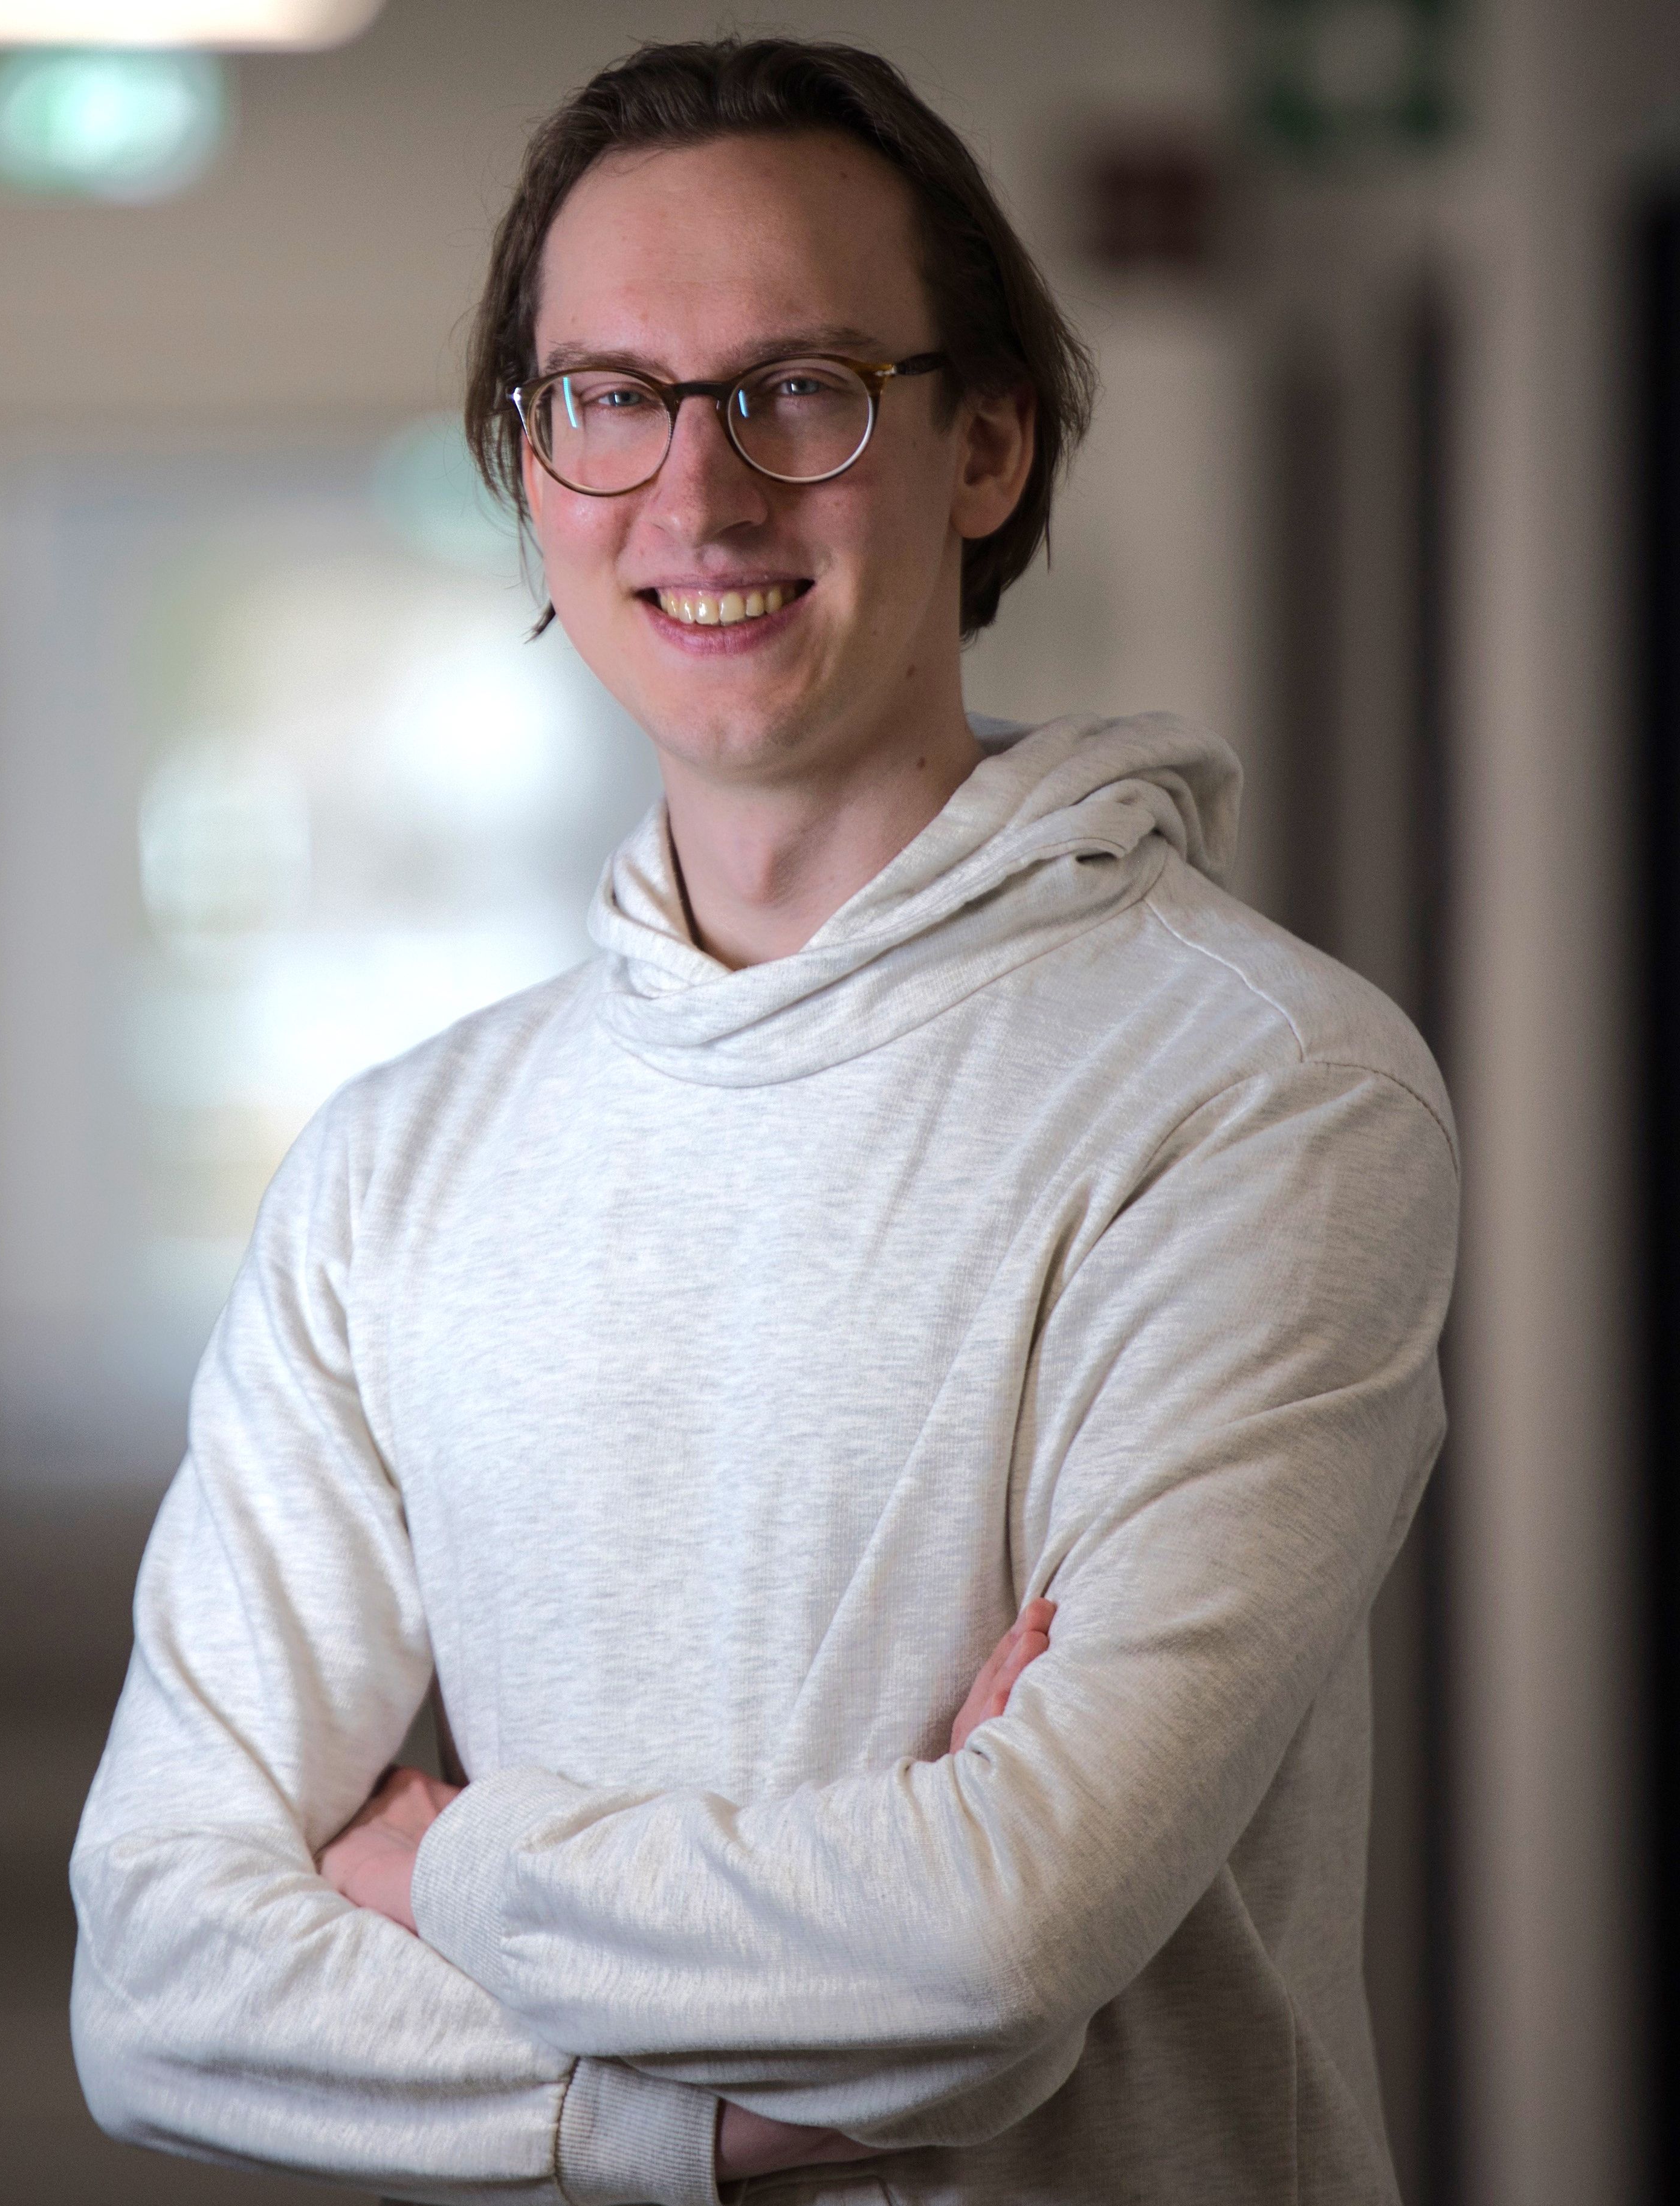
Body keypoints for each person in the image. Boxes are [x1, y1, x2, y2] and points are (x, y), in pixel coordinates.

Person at [70, 36, 1456, 2206]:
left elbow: (996, 1941)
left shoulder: (1258, 1090)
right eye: (608, 398)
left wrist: (450, 1866)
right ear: (530, 463)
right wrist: (700, 2117)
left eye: (799, 388)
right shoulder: (391, 1170)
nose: (699, 496)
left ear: (986, 441)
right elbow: (157, 1974)